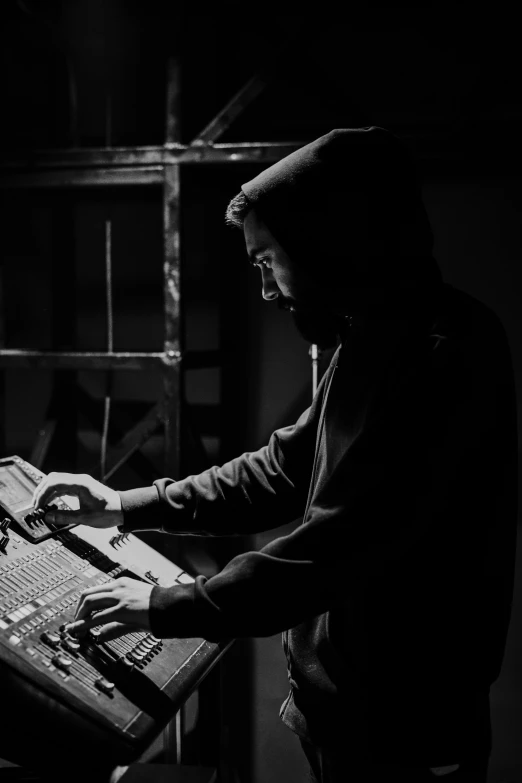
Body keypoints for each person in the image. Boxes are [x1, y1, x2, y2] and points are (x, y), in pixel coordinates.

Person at [32, 127, 518, 782]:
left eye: (268, 260)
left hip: (404, 730)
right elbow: (283, 469)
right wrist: (121, 504)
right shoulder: (369, 339)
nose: (265, 289)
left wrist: (169, 605)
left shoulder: (445, 353)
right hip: (346, 714)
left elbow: (338, 545)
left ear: (327, 246)